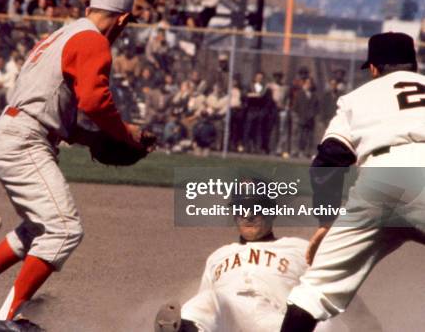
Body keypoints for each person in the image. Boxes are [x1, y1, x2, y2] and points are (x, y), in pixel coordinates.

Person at [0, 0, 151, 332]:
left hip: (13, 134)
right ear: (124, 19)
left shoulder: (63, 35)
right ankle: (7, 319)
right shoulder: (93, 41)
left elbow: (64, 119)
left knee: (39, 227)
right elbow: (95, 102)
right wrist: (123, 133)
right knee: (64, 229)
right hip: (24, 140)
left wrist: (103, 136)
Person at [280, 32, 425, 331]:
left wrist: (327, 221)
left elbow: (329, 160)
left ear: (373, 68)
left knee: (314, 290)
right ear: (414, 64)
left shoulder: (356, 98)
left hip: (380, 180)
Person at [154, 191, 346, 332]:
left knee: (323, 323)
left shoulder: (300, 248)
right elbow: (210, 312)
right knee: (205, 302)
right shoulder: (218, 256)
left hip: (278, 321)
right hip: (230, 321)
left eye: (256, 208)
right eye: (241, 209)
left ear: (272, 212)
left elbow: (334, 291)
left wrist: (368, 326)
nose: (248, 215)